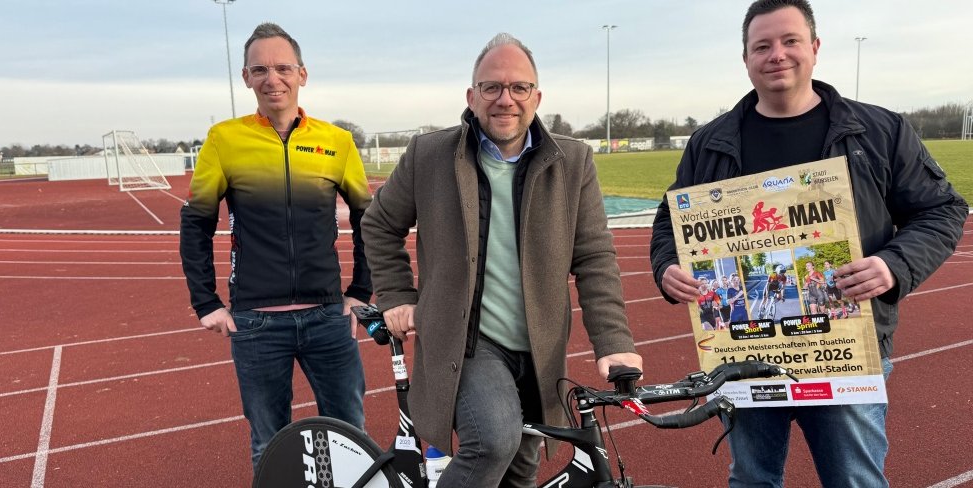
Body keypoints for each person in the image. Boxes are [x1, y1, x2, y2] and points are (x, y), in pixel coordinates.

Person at [648, 1, 967, 486]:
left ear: (815, 48)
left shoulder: (879, 131)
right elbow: (669, 223)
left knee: (854, 480)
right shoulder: (709, 142)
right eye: (762, 46)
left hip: (844, 349)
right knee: (752, 479)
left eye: (790, 41)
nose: (777, 54)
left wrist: (893, 265)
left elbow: (942, 210)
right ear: (746, 58)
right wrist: (668, 266)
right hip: (743, 356)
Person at [361, 33, 642, 487]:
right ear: (471, 97)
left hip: (538, 347)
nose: (505, 99)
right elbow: (378, 223)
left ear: (537, 97)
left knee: (520, 471)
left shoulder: (573, 161)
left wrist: (612, 340)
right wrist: (395, 294)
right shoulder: (429, 155)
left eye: (518, 87)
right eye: (491, 87)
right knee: (493, 439)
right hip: (469, 342)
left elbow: (594, 256)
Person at [179, 22, 371, 471]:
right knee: (269, 444)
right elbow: (196, 222)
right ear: (246, 77)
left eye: (283, 68)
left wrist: (361, 290)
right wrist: (205, 302)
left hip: (328, 317)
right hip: (255, 323)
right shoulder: (224, 140)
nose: (273, 79)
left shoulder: (336, 141)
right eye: (260, 69)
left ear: (302, 74)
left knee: (350, 437)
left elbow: (368, 218)